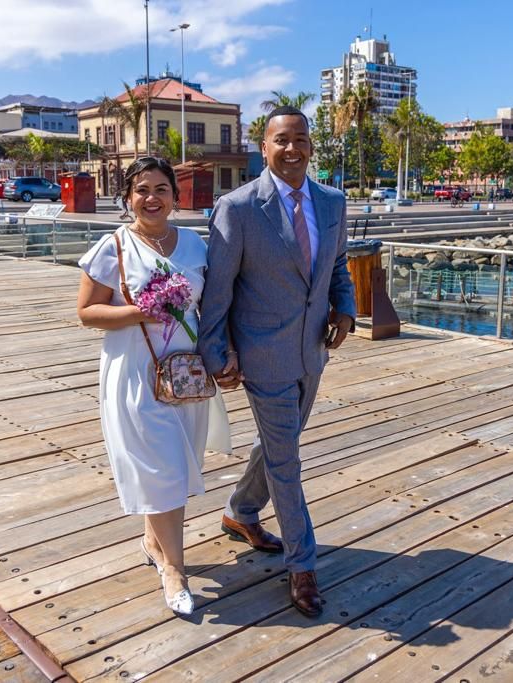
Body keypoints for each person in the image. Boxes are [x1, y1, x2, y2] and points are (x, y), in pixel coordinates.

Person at [198, 106, 357, 618]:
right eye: (281, 141)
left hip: (313, 351)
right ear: (263, 147)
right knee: (287, 461)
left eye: (301, 140)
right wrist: (216, 352)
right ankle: (302, 566)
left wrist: (346, 309)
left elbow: (337, 265)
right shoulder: (238, 207)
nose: (293, 149)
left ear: (312, 147)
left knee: (277, 444)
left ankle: (241, 511)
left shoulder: (332, 202)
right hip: (261, 355)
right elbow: (218, 289)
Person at [76, 156, 213, 616]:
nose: (151, 198)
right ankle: (175, 569)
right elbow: (87, 312)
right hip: (134, 371)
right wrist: (139, 312)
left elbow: (209, 308)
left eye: (160, 189)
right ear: (127, 197)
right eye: (141, 190)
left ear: (175, 196)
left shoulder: (195, 246)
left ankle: (155, 544)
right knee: (161, 468)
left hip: (186, 374)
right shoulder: (112, 246)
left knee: (178, 461)